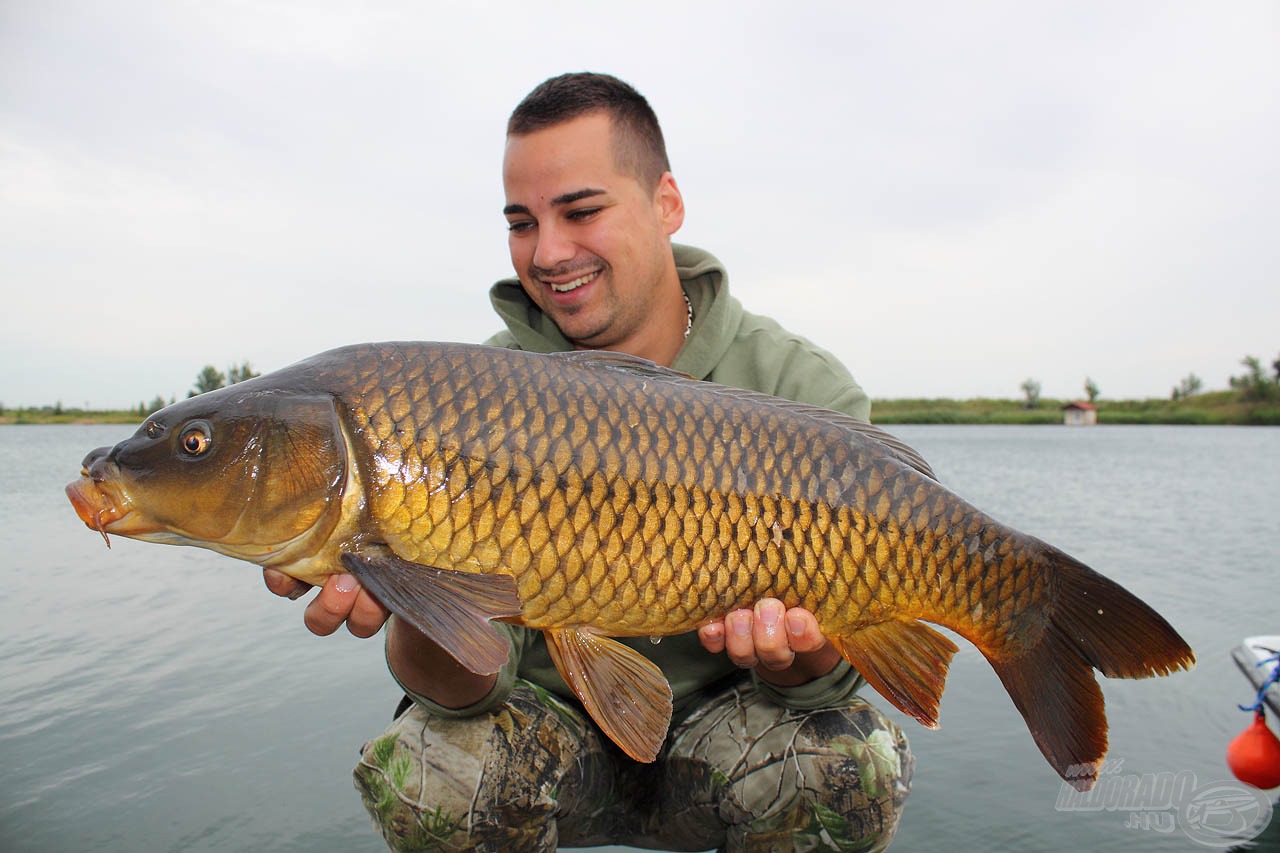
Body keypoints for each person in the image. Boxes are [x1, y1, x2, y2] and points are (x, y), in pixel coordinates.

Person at [265, 72, 912, 852]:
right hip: (551, 743)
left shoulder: (798, 390)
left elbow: (836, 683)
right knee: (427, 768)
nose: (548, 251)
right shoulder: (464, 405)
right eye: (521, 222)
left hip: (732, 740)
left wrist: (799, 650)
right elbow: (464, 695)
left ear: (666, 202)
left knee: (845, 761)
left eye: (581, 210)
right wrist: (421, 602)